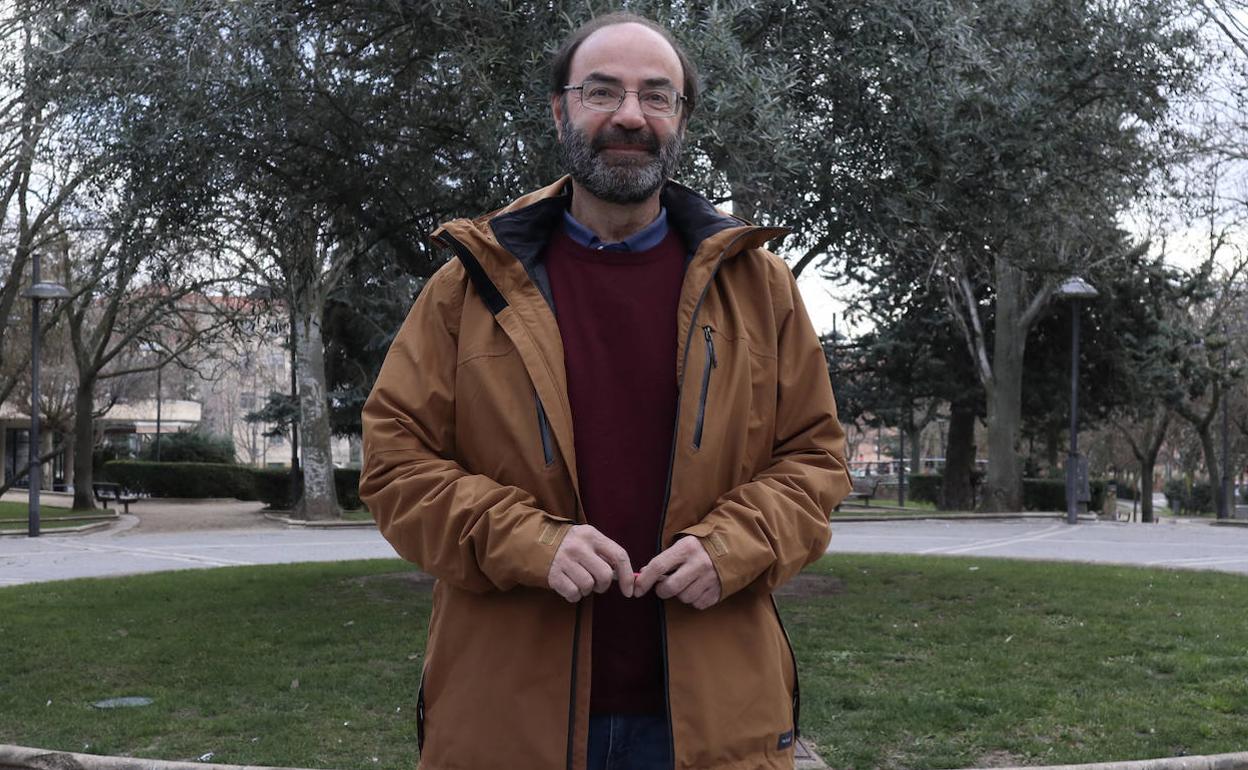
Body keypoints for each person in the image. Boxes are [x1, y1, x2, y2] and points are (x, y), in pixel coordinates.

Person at [360, 12, 851, 770]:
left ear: (681, 119)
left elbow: (816, 460)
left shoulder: (761, 289)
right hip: (507, 721)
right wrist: (530, 541)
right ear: (561, 109)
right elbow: (395, 466)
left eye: (657, 96)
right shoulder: (467, 289)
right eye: (603, 91)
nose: (630, 115)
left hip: (716, 720)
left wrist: (731, 545)